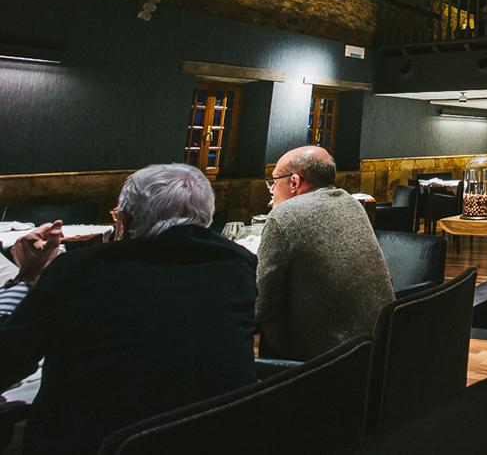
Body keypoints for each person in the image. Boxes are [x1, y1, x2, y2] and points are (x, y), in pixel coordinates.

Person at [0, 164, 257, 455]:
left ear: (125, 219)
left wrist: (28, 276)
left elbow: (9, 360)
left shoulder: (79, 270)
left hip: (99, 443)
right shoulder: (238, 264)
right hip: (216, 437)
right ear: (206, 215)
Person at [256, 145, 394, 361]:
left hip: (327, 361)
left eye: (274, 181)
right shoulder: (352, 204)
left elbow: (262, 306)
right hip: (377, 348)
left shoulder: (283, 216)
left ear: (294, 182)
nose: (272, 190)